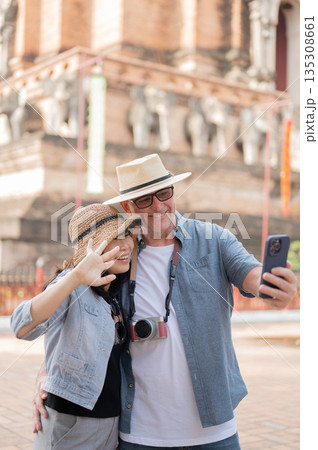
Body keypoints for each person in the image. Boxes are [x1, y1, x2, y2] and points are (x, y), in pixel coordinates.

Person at [33, 154, 297, 450]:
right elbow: (78, 319)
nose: (159, 205)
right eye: (145, 200)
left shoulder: (214, 240)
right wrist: (48, 373)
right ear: (127, 207)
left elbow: (250, 274)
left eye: (164, 193)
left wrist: (271, 287)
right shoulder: (118, 257)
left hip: (214, 431)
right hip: (139, 433)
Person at [11, 203, 141, 450]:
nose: (126, 245)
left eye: (126, 234)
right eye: (114, 238)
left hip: (112, 422)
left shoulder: (116, 288)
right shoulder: (72, 287)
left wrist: (46, 369)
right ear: (92, 246)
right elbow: (22, 326)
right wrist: (75, 277)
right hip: (72, 422)